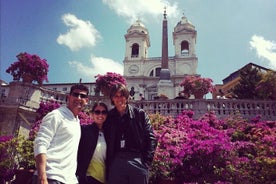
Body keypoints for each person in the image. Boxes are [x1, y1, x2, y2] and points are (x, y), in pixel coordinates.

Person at [33, 84, 89, 184]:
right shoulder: (56, 115)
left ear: (87, 101)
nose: (79, 98)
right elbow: (40, 143)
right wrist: (42, 177)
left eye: (83, 96)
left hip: (69, 179)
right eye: (75, 94)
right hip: (51, 177)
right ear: (69, 97)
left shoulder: (76, 121)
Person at [105, 84, 157, 184]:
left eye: (122, 95)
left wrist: (146, 162)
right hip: (117, 160)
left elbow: (151, 138)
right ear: (112, 98)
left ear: (127, 97)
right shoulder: (109, 116)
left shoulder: (139, 114)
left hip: (137, 159)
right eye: (116, 96)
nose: (119, 98)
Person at [76, 102, 108, 184]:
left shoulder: (109, 134)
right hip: (88, 177)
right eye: (97, 112)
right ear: (92, 114)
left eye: (103, 112)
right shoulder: (84, 130)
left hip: (105, 178)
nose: (100, 115)